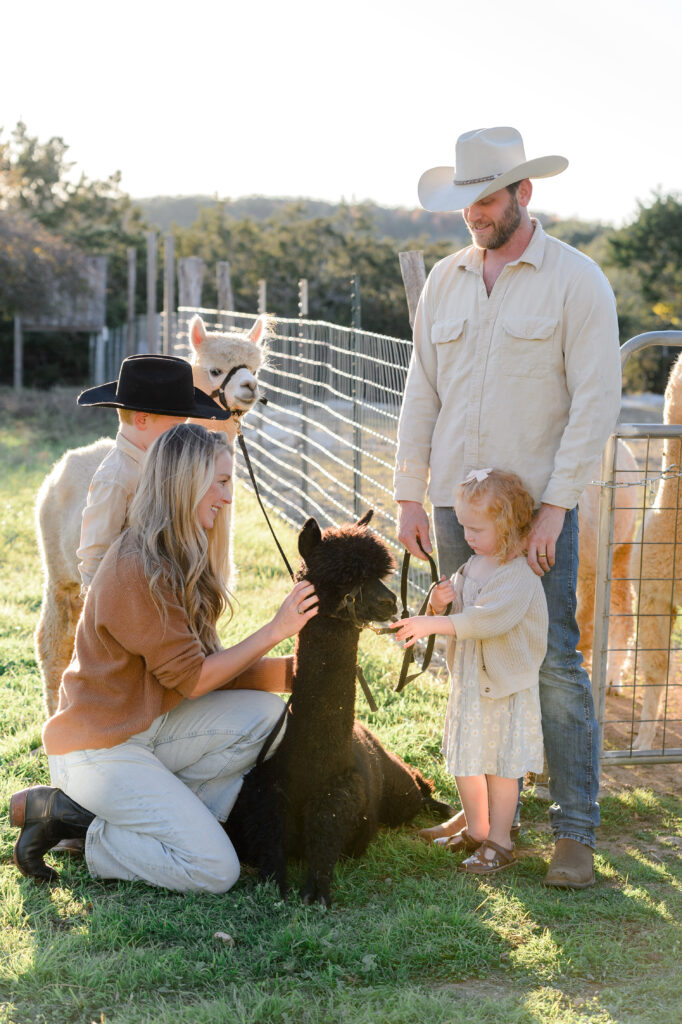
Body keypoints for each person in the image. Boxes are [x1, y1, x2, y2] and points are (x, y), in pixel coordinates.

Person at [394, 126, 622, 888]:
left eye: (487, 198)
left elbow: (596, 402)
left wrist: (556, 507)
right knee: (473, 660)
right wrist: (409, 494)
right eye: (467, 200)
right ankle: (489, 821)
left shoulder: (577, 281)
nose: (474, 213)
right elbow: (421, 391)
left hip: (533, 518)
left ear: (524, 192)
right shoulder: (444, 281)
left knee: (551, 661)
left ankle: (575, 832)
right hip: (457, 510)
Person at [10, 424, 317, 892]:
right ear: (186, 484)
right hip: (97, 751)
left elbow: (203, 670)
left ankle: (173, 823)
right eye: (220, 482)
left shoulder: (179, 552)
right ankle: (78, 824)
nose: (227, 497)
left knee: (267, 717)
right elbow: (196, 680)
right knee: (216, 870)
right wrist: (276, 630)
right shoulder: (138, 567)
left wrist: (295, 674)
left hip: (145, 727)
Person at [391, 469, 547, 875]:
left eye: (476, 529)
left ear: (506, 526)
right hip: (471, 685)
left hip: (502, 689)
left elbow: (484, 620)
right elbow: (460, 611)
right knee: (466, 759)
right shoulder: (474, 565)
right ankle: (477, 829)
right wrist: (440, 603)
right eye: (464, 527)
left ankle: (500, 841)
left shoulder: (518, 575)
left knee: (500, 767)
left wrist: (432, 623)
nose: (467, 536)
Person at [76, 352, 231, 593]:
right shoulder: (116, 477)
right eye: (174, 426)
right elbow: (95, 551)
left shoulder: (164, 462)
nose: (180, 435)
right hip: (127, 594)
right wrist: (98, 605)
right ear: (142, 420)